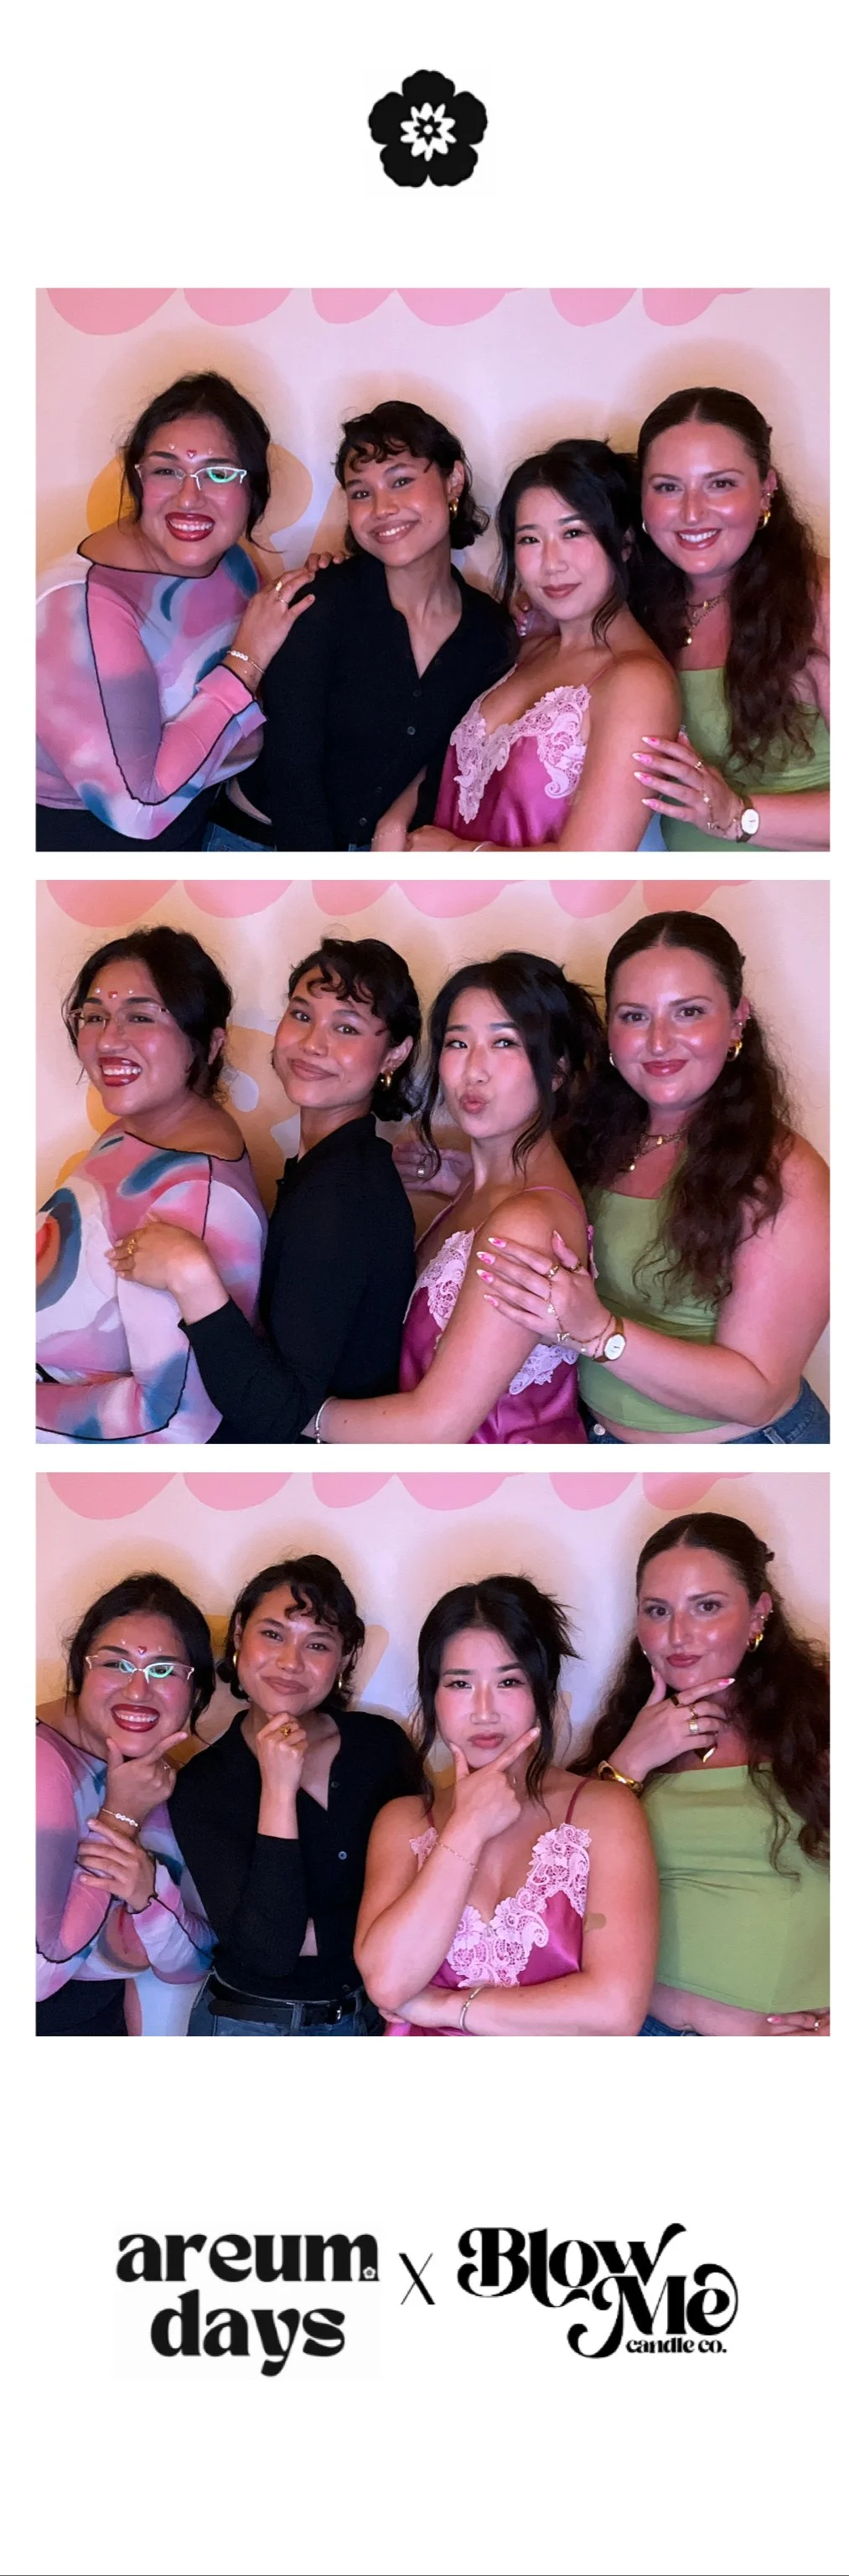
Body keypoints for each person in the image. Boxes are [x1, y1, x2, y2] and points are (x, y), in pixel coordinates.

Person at [477, 911, 829, 1442]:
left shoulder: (784, 1171)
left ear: (737, 1020)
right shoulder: (594, 1133)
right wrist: (475, 1174)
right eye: (635, 1016)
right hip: (593, 1435)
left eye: (688, 1012)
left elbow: (761, 1394)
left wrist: (599, 1331)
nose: (660, 1042)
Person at [108, 938, 420, 1441]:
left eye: (346, 1027)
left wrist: (191, 1276)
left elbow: (281, 1413)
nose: (313, 1043)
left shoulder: (341, 1195)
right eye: (301, 1015)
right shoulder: (331, 1166)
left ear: (395, 1053)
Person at [302, 953, 605, 1444]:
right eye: (457, 1042)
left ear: (557, 1069)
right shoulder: (482, 1187)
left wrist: (294, 1412)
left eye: (504, 1043)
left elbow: (435, 1426)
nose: (473, 1070)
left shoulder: (527, 1221)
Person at [355, 1575, 657, 2033]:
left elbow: (616, 2011)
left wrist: (443, 2008)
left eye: (509, 1681)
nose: (484, 1711)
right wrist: (467, 1829)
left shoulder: (606, 1811)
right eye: (459, 1683)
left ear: (543, 1689)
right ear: (432, 1697)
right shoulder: (402, 1822)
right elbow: (388, 1984)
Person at [210, 398, 516, 851]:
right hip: (264, 847)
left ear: (454, 480)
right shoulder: (319, 601)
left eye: (402, 480)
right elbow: (293, 767)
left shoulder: (490, 632)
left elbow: (452, 758)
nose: (382, 507)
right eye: (361, 492)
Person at [36, 370, 314, 851]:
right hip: (96, 846)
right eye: (167, 469)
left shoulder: (232, 561)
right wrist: (244, 664)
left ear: (252, 490)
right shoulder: (79, 609)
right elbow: (139, 810)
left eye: (220, 472)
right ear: (138, 479)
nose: (190, 497)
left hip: (208, 817)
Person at [578, 1514, 829, 2036]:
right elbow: (551, 1893)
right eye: (657, 1611)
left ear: (759, 1613)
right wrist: (626, 1765)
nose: (677, 1636)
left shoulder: (824, 1729)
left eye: (707, 1606)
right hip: (650, 2032)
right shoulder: (618, 1748)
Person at [380, 440, 679, 853]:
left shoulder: (638, 684)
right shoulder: (530, 647)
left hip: (535, 914)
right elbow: (456, 763)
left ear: (624, 543)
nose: (551, 563)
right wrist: (395, 819)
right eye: (530, 540)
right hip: (436, 902)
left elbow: (591, 867)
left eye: (573, 533)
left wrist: (452, 855)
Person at [168, 1557, 423, 2035]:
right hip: (249, 2024)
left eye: (318, 1644)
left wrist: (323, 1933)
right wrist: (279, 1791)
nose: (291, 1662)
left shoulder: (382, 1746)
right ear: (240, 1632)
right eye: (272, 1634)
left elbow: (426, 1888)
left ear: (346, 1658)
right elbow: (267, 1951)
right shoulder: (202, 1784)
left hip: (371, 2018)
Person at [37, 927, 267, 1441]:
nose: (108, 1039)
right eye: (94, 1016)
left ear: (208, 1043)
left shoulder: (198, 1199)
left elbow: (174, 1420)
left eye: (140, 1016)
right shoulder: (136, 1128)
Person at [630, 386, 829, 851]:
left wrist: (740, 815)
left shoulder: (819, 597)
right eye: (667, 487)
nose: (692, 513)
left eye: (720, 483)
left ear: (766, 490)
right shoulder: (642, 599)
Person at [37, 1573, 215, 2035]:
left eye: (164, 1670)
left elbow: (190, 1963)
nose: (138, 1691)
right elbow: (36, 1972)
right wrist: (119, 1819)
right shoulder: (36, 1761)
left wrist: (147, 1893)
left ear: (196, 1692)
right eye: (115, 1664)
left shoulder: (168, 1779)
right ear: (80, 1668)